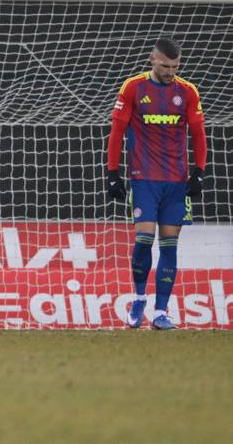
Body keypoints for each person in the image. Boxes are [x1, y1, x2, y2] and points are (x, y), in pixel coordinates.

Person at [106, 38, 207, 330]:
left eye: (175, 67)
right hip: (144, 179)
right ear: (152, 59)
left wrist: (199, 171)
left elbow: (199, 134)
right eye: (165, 66)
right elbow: (117, 131)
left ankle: (161, 312)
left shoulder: (187, 92)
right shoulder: (133, 87)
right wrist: (112, 173)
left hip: (176, 181)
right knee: (144, 239)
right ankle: (139, 298)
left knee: (169, 246)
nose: (170, 72)